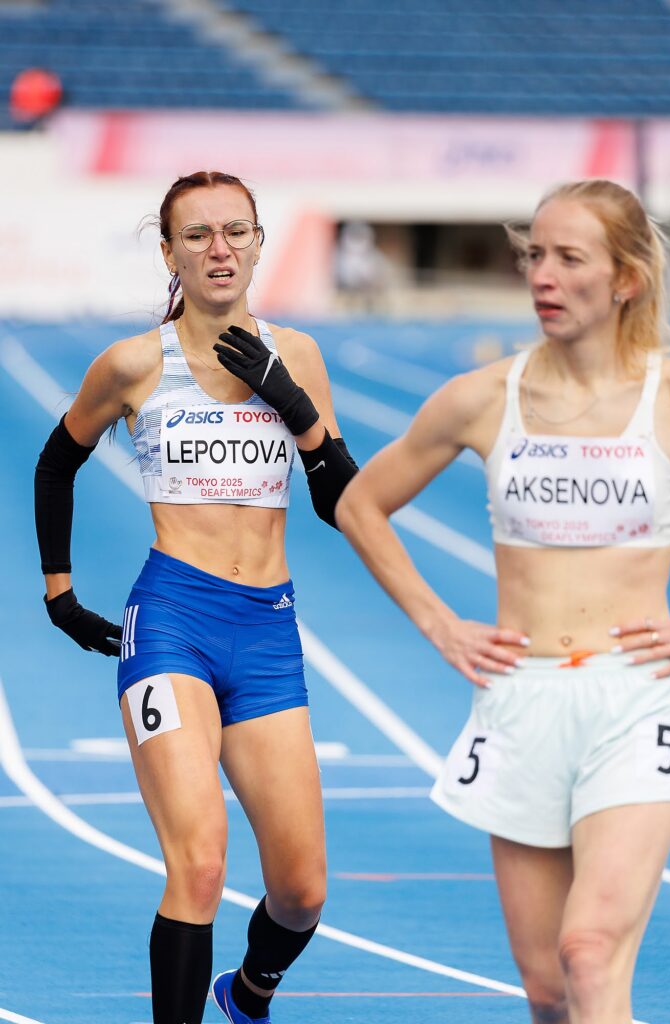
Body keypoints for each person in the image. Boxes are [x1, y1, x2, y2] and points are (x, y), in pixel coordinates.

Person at [336, 178, 670, 1024]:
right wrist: (439, 624)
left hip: (640, 698)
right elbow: (358, 504)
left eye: (570, 258)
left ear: (626, 278)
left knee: (589, 953)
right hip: (522, 699)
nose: (543, 276)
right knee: (548, 990)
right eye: (534, 255)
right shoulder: (484, 397)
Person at [34, 170, 358, 1024]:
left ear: (257, 243)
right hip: (172, 622)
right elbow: (56, 461)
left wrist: (292, 404)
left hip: (268, 632)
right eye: (198, 234)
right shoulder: (136, 363)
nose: (220, 249)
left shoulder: (299, 355)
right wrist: (60, 593)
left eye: (235, 231)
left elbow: (342, 505)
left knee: (302, 891)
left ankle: (247, 995)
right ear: (170, 251)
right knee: (201, 863)